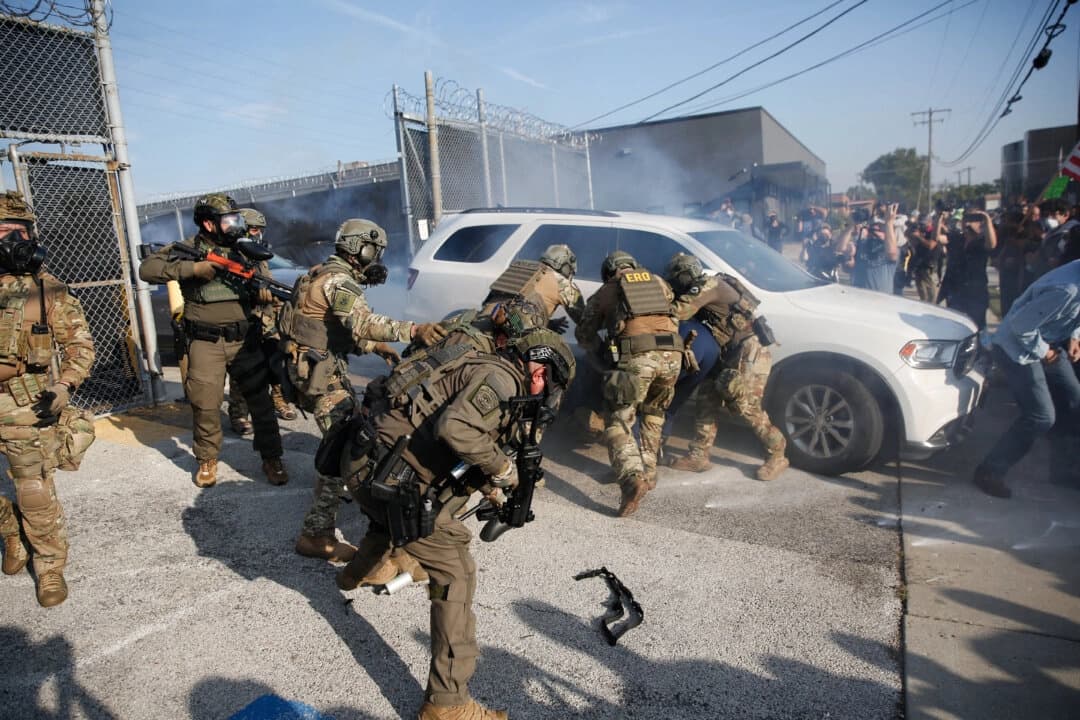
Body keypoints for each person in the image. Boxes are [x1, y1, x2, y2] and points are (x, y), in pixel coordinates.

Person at [333, 327, 575, 720]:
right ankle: (447, 704)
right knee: (455, 574)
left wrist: (495, 489)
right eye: (550, 382)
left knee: (396, 521)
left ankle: (354, 575)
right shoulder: (501, 380)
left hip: (364, 464)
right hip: (390, 482)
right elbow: (455, 429)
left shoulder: (474, 359)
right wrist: (503, 469)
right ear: (540, 372)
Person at [281, 218, 447, 562]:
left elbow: (327, 328)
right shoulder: (340, 282)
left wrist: (376, 348)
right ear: (362, 248)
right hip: (322, 376)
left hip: (306, 367)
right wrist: (413, 330)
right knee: (348, 451)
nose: (377, 258)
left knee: (342, 444)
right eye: (376, 251)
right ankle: (317, 534)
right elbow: (362, 323)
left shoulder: (316, 272)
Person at [139, 193, 288, 488]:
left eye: (236, 218)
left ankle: (272, 457)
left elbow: (264, 282)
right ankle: (207, 459)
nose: (235, 225)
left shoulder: (244, 250)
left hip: (245, 339)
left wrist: (263, 297)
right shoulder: (188, 249)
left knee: (260, 403)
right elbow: (147, 269)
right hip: (205, 342)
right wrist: (193, 270)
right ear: (208, 223)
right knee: (205, 405)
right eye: (228, 220)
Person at [0, 191, 95, 607]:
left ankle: (51, 566)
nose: (11, 241)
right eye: (2, 233)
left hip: (25, 407)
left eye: (17, 233)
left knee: (34, 492)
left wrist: (65, 385)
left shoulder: (46, 290)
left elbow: (81, 347)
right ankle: (11, 535)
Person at [663, 253, 789, 481]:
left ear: (684, 275)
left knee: (745, 406)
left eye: (676, 278)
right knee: (706, 401)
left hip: (749, 351)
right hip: (727, 350)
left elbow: (679, 311)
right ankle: (698, 456)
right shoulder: (713, 282)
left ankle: (777, 453)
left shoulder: (709, 285)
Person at [575, 251, 682, 517]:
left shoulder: (607, 290)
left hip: (638, 358)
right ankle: (648, 472)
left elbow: (584, 334)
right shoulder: (658, 281)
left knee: (618, 421)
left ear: (609, 271)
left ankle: (631, 479)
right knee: (654, 414)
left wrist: (600, 351)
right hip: (674, 357)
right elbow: (672, 306)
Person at [973, 259, 1080, 498]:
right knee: (1041, 416)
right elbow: (1020, 328)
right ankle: (989, 471)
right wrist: (1048, 353)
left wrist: (1075, 335)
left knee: (1075, 402)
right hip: (1016, 349)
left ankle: (1063, 471)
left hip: (1046, 342)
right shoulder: (1066, 290)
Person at [226, 207, 296, 435]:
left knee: (276, 364)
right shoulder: (231, 257)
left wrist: (279, 315)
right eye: (254, 229)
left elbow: (270, 287)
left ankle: (279, 401)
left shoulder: (260, 258)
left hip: (267, 321)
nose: (258, 235)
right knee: (241, 372)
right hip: (243, 322)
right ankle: (238, 414)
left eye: (260, 230)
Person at [482, 243, 585, 334]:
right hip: (512, 335)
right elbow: (585, 320)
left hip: (481, 326)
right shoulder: (562, 283)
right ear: (565, 266)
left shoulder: (519, 269)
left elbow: (514, 307)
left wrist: (548, 324)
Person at [935, 208, 997, 330]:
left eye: (974, 219)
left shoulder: (982, 241)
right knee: (955, 325)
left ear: (981, 223)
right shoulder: (956, 237)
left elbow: (992, 244)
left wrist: (987, 219)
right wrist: (939, 219)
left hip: (976, 291)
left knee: (976, 327)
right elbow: (937, 238)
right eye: (966, 219)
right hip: (955, 289)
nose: (968, 223)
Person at [846, 203, 900, 293]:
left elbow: (892, 253)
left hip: (882, 301)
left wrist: (889, 222)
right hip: (859, 298)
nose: (875, 229)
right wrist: (851, 225)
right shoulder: (860, 244)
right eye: (872, 229)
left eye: (879, 229)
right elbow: (840, 251)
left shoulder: (891, 247)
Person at [907, 223, 945, 303]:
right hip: (920, 267)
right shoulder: (921, 239)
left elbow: (930, 245)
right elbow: (907, 235)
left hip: (929, 266)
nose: (923, 233)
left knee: (931, 290)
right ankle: (924, 304)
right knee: (922, 291)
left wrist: (918, 236)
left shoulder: (932, 238)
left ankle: (932, 306)